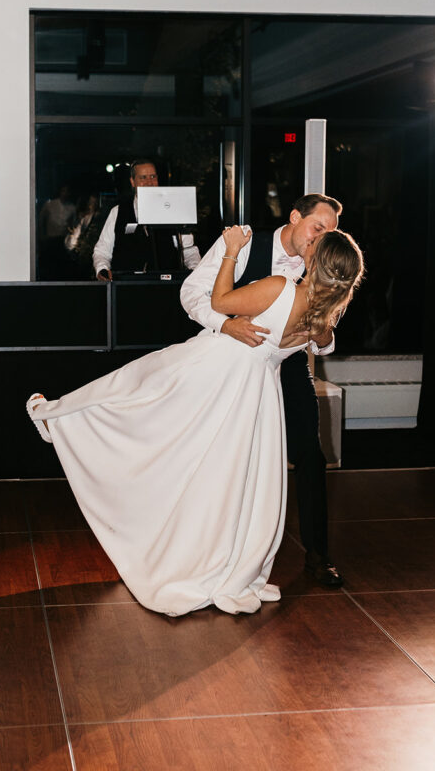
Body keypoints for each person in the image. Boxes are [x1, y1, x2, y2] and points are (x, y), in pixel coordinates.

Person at [26, 227, 363, 617]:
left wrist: (232, 252)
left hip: (217, 369)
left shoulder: (281, 288)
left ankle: (61, 419)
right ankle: (219, 563)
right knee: (221, 476)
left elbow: (219, 303)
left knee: (136, 392)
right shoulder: (322, 319)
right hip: (257, 395)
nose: (307, 245)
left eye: (314, 246)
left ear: (316, 262)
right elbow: (321, 342)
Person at [181, 193, 345, 587]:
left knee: (310, 452)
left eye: (330, 233)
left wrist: (321, 336)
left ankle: (318, 555)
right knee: (220, 452)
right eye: (317, 228)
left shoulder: (326, 263)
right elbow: (191, 294)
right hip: (232, 359)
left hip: (285, 364)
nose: (321, 239)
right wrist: (226, 325)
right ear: (294, 217)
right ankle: (209, 548)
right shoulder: (244, 240)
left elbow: (326, 338)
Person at [92, 159, 200, 280]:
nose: (149, 182)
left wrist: (195, 272)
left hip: (165, 286)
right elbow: (102, 251)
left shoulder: (174, 211)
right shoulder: (118, 212)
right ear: (132, 182)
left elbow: (189, 250)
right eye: (143, 178)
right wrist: (102, 269)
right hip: (127, 286)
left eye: (153, 176)